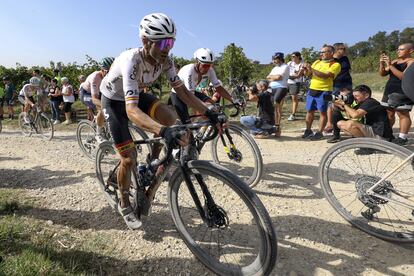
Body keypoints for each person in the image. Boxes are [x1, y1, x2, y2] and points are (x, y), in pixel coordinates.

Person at [99, 13, 219, 230]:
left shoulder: (167, 60)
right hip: (114, 101)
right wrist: (162, 131)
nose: (168, 47)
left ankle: (153, 162)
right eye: (163, 42)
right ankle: (124, 202)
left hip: (135, 95)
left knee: (171, 118)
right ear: (145, 41)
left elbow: (182, 91)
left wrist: (209, 111)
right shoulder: (131, 61)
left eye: (171, 42)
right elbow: (131, 109)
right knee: (128, 158)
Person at [170, 48, 237, 124]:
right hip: (178, 95)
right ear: (197, 62)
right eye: (205, 65)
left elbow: (219, 88)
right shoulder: (189, 71)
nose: (207, 68)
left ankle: (205, 127)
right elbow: (190, 97)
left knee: (213, 104)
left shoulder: (210, 70)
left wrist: (233, 100)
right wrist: (204, 106)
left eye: (210, 65)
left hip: (192, 93)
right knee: (187, 124)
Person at [302, 45, 341, 140]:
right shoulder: (317, 62)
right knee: (309, 110)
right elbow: (309, 74)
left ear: (331, 53)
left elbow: (325, 76)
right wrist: (306, 70)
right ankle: (308, 130)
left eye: (324, 52)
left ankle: (319, 132)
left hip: (325, 90)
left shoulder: (335, 65)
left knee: (322, 112)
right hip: (312, 89)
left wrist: (312, 69)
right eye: (321, 52)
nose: (321, 54)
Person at [379, 43, 414, 145]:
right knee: (388, 114)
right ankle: (388, 134)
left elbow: (404, 77)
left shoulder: (411, 62)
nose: (398, 51)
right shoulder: (395, 61)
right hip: (389, 90)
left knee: (402, 114)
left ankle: (402, 137)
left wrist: (390, 65)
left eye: (401, 49)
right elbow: (382, 74)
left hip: (403, 90)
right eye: (397, 49)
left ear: (410, 51)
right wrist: (382, 64)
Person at [325, 43, 353, 133]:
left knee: (347, 102)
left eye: (344, 49)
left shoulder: (345, 58)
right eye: (342, 49)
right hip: (335, 85)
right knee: (332, 103)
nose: (344, 50)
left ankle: (349, 123)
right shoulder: (331, 60)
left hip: (346, 84)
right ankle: (330, 124)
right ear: (336, 50)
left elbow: (347, 71)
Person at [80, 57, 114, 124]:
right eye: (108, 71)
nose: (110, 74)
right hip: (86, 93)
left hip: (98, 92)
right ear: (102, 70)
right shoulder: (95, 77)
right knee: (102, 109)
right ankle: (99, 132)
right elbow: (94, 99)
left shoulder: (112, 76)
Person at [266, 52, 289, 137]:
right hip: (272, 87)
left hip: (281, 87)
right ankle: (272, 125)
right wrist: (273, 77)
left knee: (276, 105)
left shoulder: (285, 66)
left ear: (280, 59)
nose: (274, 61)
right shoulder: (275, 68)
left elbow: (279, 77)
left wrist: (273, 77)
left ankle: (277, 127)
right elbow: (267, 77)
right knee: (270, 106)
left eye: (275, 59)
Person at [287, 52, 305, 121]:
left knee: (294, 98)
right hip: (287, 82)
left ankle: (293, 114)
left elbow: (298, 76)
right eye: (291, 56)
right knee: (281, 97)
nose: (292, 58)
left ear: (298, 57)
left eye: (293, 56)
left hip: (295, 83)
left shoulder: (302, 64)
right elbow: (286, 72)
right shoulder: (289, 63)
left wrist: (288, 76)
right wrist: (292, 76)